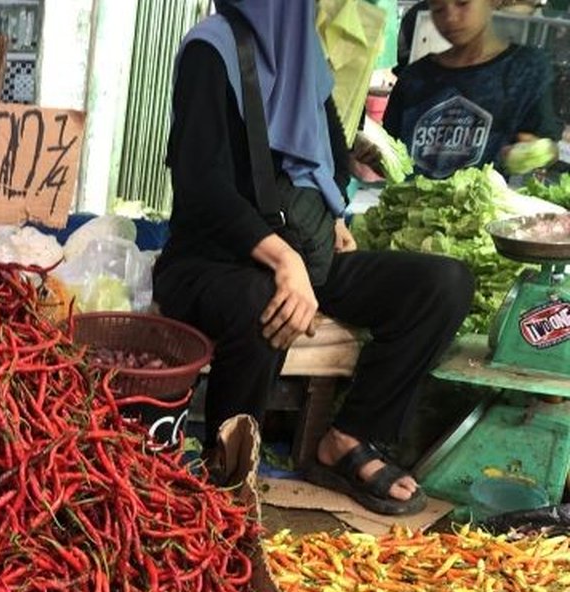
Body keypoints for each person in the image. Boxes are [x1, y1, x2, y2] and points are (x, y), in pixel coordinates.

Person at [156, 0, 475, 515]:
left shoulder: (306, 56)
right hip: (209, 263)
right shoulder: (210, 50)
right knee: (264, 302)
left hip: (303, 254)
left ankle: (348, 438)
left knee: (442, 284)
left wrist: (334, 217)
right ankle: (229, 471)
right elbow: (202, 187)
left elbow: (329, 155)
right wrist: (283, 261)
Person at [383, 0, 561, 178]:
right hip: (408, 203)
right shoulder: (414, 77)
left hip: (483, 205)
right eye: (438, 10)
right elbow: (390, 151)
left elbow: (549, 147)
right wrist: (374, 156)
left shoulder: (526, 69)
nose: (450, 18)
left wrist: (532, 151)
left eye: (462, 3)